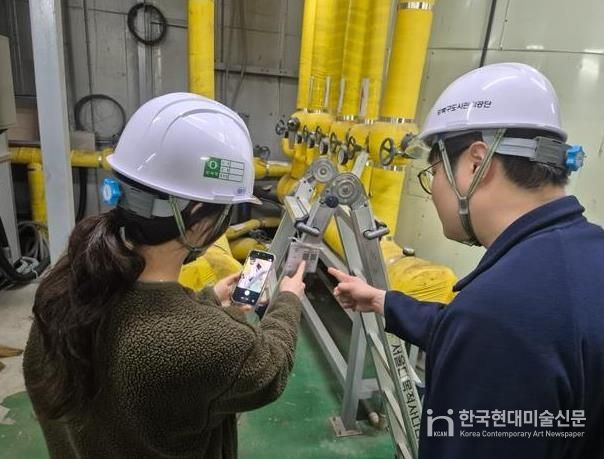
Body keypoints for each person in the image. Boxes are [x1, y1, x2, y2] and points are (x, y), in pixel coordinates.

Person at [329, 63, 604, 458]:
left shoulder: (499, 311)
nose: (433, 189)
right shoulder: (583, 256)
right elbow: (466, 328)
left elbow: (488, 328)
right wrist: (382, 300)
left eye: (434, 172)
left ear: (476, 164)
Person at [22, 93, 306, 459]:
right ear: (199, 220)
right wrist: (289, 298)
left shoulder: (64, 290)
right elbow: (272, 368)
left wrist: (206, 301)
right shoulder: (214, 343)